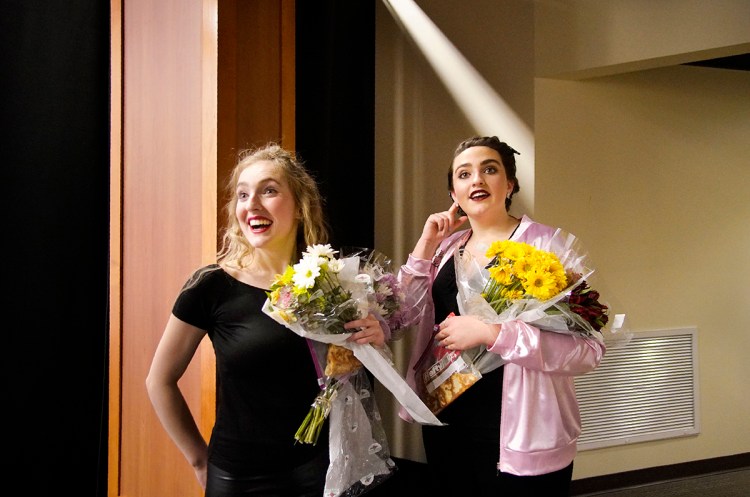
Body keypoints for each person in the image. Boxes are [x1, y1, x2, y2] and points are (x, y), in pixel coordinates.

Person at [146, 143, 387, 497]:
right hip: (238, 479)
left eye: (268, 191)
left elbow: (351, 374)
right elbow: (159, 381)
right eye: (242, 195)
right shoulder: (212, 286)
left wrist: (375, 337)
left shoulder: (334, 284)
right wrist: (199, 460)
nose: (252, 205)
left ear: (301, 206)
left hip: (322, 471)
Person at [397, 136, 606, 496]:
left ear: (508, 184)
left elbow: (588, 351)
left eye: (489, 170)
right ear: (454, 193)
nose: (476, 180)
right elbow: (401, 311)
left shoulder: (547, 247)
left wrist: (492, 333)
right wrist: (425, 244)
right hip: (446, 415)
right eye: (464, 174)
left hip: (521, 428)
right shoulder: (446, 248)